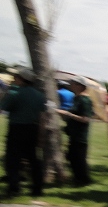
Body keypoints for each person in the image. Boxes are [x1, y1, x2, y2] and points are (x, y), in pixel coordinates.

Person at [0, 67, 45, 197]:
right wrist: (41, 135)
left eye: (16, 77)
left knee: (13, 159)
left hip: (17, 128)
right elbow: (42, 116)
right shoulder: (39, 95)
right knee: (33, 159)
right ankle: (37, 188)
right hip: (33, 128)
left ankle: (14, 188)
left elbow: (3, 107)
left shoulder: (15, 93)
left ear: (21, 79)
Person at [56, 75, 94, 186]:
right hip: (73, 133)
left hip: (80, 135)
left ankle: (83, 180)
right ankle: (78, 179)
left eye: (73, 83)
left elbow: (86, 119)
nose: (71, 85)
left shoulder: (85, 100)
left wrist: (68, 114)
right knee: (72, 157)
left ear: (79, 86)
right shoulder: (76, 98)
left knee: (79, 159)